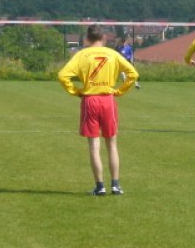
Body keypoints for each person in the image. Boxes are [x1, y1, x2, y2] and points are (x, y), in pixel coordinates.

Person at [58, 25, 138, 196]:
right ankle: (115, 185)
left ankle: (100, 187)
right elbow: (133, 74)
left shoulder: (81, 55)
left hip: (90, 100)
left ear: (87, 39)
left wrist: (76, 91)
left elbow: (62, 75)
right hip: (108, 99)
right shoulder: (113, 54)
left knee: (94, 146)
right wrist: (120, 91)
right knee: (112, 144)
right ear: (103, 38)